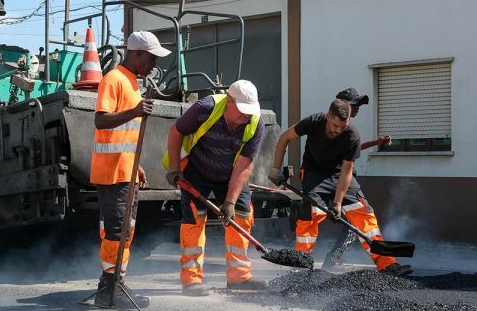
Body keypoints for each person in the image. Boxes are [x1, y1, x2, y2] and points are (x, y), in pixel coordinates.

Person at [269, 99, 411, 276]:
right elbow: (285, 137)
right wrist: (275, 168)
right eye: (335, 125)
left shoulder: (352, 135)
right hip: (314, 172)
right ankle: (301, 266)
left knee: (363, 212)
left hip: (339, 173)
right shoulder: (313, 122)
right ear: (328, 116)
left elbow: (346, 171)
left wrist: (337, 203)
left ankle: (387, 264)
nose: (339, 130)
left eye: (343, 127)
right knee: (312, 213)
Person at [90, 30, 171, 306]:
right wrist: (136, 111)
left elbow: (126, 134)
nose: (154, 65)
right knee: (116, 229)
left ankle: (116, 283)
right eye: (151, 58)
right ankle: (110, 287)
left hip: (125, 170)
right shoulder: (113, 80)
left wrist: (137, 167)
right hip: (111, 172)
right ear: (136, 53)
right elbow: (101, 121)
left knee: (127, 227)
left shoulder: (132, 82)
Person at [164, 80, 267, 296]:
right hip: (197, 170)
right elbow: (176, 132)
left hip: (230, 174)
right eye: (241, 112)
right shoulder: (205, 108)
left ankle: (239, 277)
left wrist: (229, 202)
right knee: (194, 219)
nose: (245, 118)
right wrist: (174, 168)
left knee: (242, 214)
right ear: (229, 102)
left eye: (249, 113)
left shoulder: (255, 123)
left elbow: (244, 167)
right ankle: (191, 280)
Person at [323, 88, 392, 270]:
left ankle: (333, 259)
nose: (358, 108)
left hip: (342, 182)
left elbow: (356, 148)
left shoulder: (345, 128)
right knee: (355, 222)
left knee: (353, 223)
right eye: (356, 104)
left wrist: (377, 142)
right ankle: (332, 260)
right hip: (336, 182)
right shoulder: (336, 128)